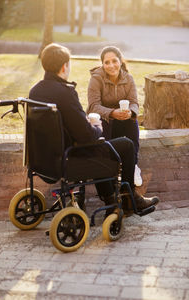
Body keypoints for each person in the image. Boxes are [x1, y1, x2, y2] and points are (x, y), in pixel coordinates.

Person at [29, 43, 159, 216]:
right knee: (126, 145)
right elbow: (86, 135)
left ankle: (120, 197)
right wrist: (97, 128)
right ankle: (123, 198)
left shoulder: (34, 92)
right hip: (71, 156)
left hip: (43, 159)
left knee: (125, 130)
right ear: (64, 66)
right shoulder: (66, 92)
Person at [87, 46, 142, 186]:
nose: (111, 65)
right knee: (104, 123)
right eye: (107, 62)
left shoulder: (128, 78)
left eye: (114, 61)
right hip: (105, 120)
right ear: (102, 64)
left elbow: (134, 103)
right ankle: (109, 166)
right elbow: (93, 106)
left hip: (123, 120)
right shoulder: (96, 79)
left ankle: (133, 166)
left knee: (132, 121)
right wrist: (112, 113)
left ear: (121, 61)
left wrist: (130, 111)